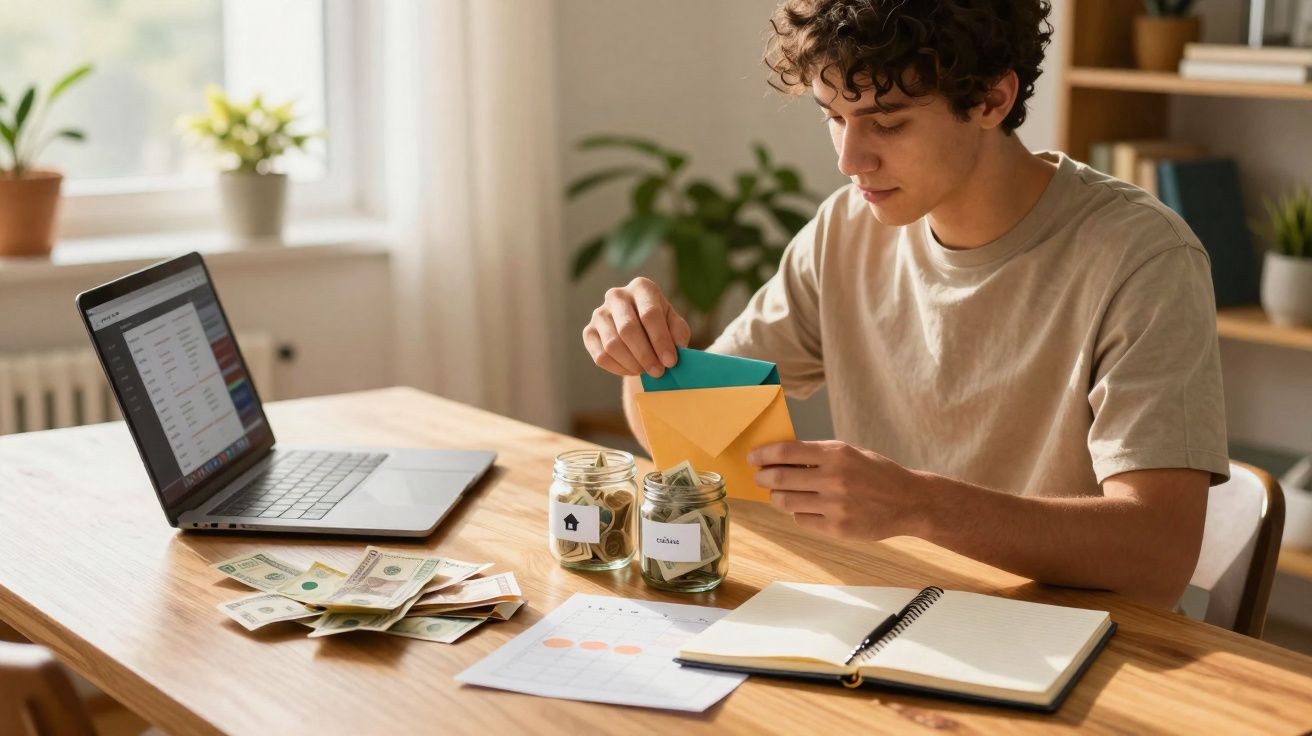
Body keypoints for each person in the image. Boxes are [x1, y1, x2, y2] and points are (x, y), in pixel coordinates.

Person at [581, 0, 1228, 609]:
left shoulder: (1142, 257)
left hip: (1072, 646)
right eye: (834, 115)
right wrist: (646, 354)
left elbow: (1158, 551)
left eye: (887, 121)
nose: (849, 159)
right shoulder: (846, 231)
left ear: (993, 100)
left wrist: (919, 505)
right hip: (888, 614)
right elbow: (694, 443)